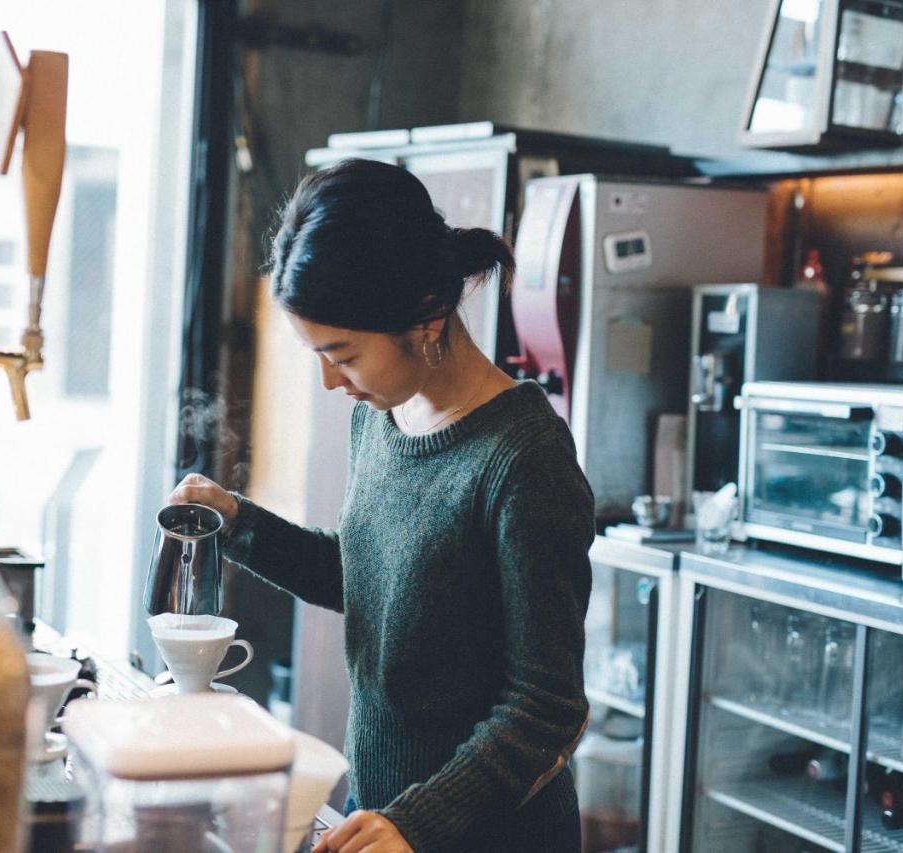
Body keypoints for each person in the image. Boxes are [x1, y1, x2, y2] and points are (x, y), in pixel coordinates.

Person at [169, 158, 594, 853]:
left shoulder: (524, 457)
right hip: (381, 816)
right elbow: (371, 577)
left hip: (482, 835)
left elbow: (546, 710)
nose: (331, 382)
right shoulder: (383, 414)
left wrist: (417, 823)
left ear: (425, 315)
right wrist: (238, 522)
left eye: (343, 354)